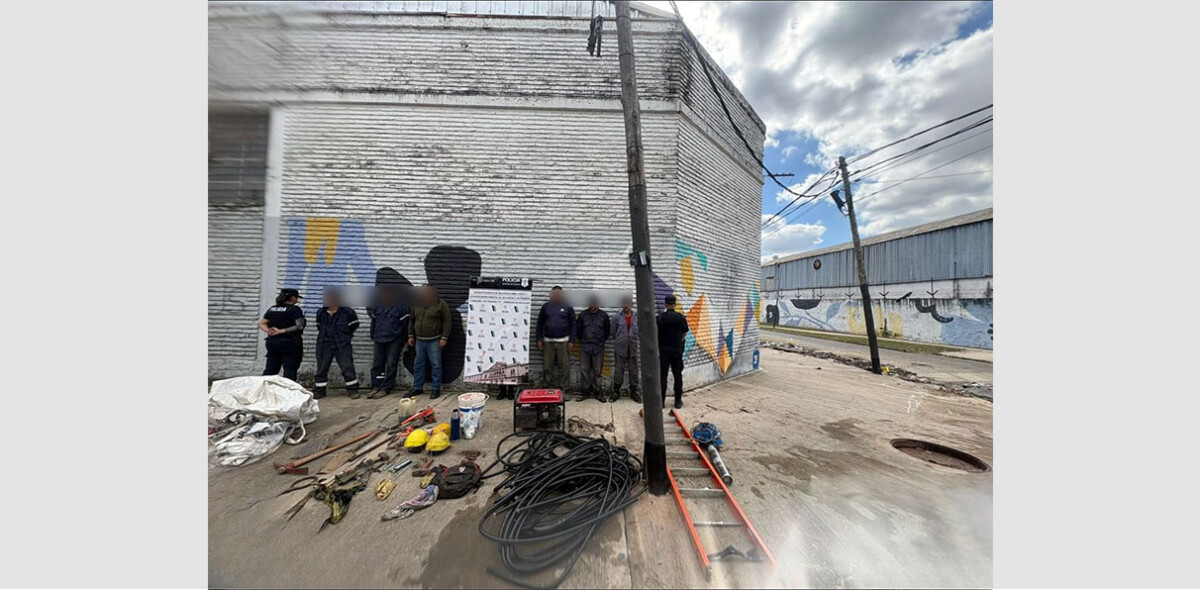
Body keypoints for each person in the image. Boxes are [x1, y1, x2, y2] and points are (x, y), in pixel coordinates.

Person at [313, 288, 361, 400]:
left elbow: (353, 325)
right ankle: (319, 391)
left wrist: (344, 336)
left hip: (342, 344)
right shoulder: (321, 312)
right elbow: (319, 326)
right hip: (324, 344)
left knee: (347, 367)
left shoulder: (348, 312)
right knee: (322, 368)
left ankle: (353, 390)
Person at [407, 285, 452, 400]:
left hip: (435, 340)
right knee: (418, 364)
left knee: (436, 364)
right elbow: (412, 320)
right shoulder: (416, 304)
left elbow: (447, 321)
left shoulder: (440, 304)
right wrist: (411, 335)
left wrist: (444, 337)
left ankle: (435, 388)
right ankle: (417, 387)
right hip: (419, 340)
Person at [366, 286, 410, 399]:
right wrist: (373, 335)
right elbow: (373, 323)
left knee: (391, 364)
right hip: (379, 339)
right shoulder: (378, 307)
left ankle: (386, 388)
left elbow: (405, 325)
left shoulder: (401, 308)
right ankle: (376, 386)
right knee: (377, 364)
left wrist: (404, 340)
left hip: (394, 340)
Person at [258, 288, 306, 382]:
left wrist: (269, 331)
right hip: (289, 343)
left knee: (271, 368)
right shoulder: (294, 309)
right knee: (290, 369)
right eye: (296, 298)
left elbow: (261, 323)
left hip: (272, 342)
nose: (297, 300)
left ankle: (265, 389)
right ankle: (288, 392)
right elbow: (299, 326)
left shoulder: (272, 308)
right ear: (292, 298)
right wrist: (281, 331)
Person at [536, 286, 575, 393]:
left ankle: (564, 390)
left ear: (562, 295)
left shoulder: (568, 307)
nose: (556, 296)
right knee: (547, 367)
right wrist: (539, 339)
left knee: (564, 367)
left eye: (558, 294)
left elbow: (573, 325)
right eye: (554, 294)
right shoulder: (546, 307)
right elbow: (540, 324)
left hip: (564, 342)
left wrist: (571, 341)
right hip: (548, 342)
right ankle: (547, 389)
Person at [575, 295, 611, 402]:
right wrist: (583, 341)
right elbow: (578, 330)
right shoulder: (582, 315)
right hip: (585, 347)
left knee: (597, 371)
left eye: (595, 304)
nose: (593, 306)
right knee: (584, 370)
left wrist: (600, 341)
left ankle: (598, 392)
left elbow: (607, 331)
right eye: (591, 303)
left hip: (598, 347)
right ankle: (584, 392)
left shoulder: (604, 316)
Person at [657, 294, 690, 410]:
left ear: (665, 304)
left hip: (663, 350)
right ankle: (677, 401)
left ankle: (661, 402)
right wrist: (679, 339)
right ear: (675, 304)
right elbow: (685, 332)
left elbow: (656, 333)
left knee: (662, 377)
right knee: (677, 375)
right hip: (677, 350)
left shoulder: (660, 318)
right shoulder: (681, 318)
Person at [611, 296, 641, 403]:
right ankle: (616, 391)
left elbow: (640, 331)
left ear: (631, 305)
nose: (626, 306)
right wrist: (622, 340)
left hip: (632, 348)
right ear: (622, 305)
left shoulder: (637, 317)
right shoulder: (616, 318)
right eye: (624, 303)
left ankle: (634, 392)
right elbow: (613, 332)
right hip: (620, 348)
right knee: (619, 370)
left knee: (633, 371)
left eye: (628, 303)